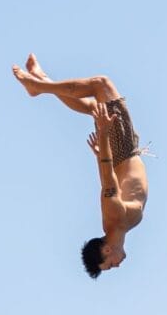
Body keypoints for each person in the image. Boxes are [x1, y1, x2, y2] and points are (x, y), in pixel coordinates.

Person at [12, 55, 148, 277]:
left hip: (123, 150)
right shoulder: (121, 225)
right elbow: (112, 181)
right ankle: (41, 80)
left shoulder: (115, 218)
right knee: (94, 105)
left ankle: (38, 86)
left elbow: (108, 182)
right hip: (121, 154)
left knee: (100, 84)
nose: (117, 265)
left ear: (106, 249)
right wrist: (100, 154)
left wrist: (104, 136)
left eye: (110, 264)